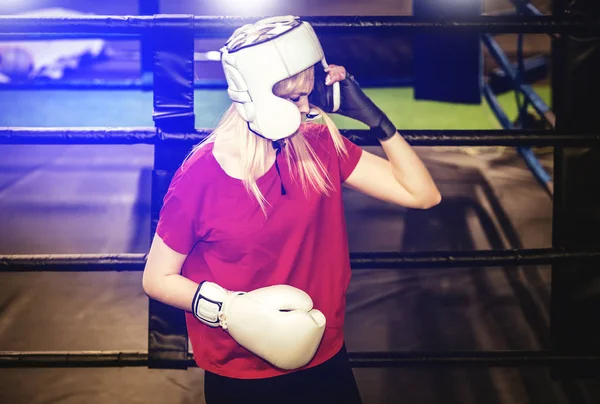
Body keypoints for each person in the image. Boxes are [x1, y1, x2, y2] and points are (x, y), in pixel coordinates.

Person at [142, 15, 441, 404]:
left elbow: (421, 194)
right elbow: (157, 278)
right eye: (293, 98)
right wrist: (229, 309)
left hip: (325, 353)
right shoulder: (199, 178)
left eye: (308, 94)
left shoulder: (317, 143)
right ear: (258, 97)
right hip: (239, 370)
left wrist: (373, 118)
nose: (306, 109)